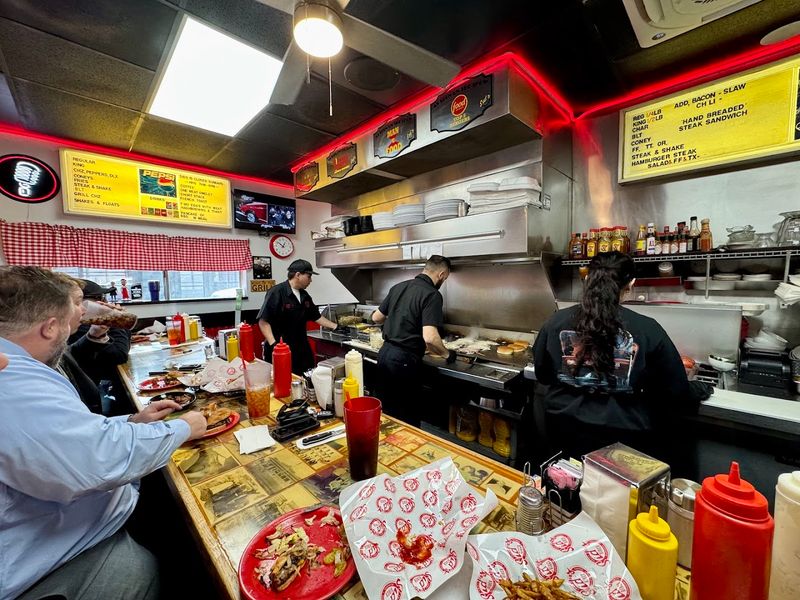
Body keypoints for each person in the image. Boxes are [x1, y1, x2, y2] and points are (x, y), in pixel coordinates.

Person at [0, 266, 207, 600]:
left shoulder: (20, 363)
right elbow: (94, 460)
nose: (78, 322)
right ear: (50, 328)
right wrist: (184, 427)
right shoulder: (11, 375)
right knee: (150, 560)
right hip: (44, 557)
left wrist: (130, 423)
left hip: (67, 524)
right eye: (74, 315)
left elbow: (70, 433)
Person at [532, 252, 710, 463]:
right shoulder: (647, 329)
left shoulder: (556, 322)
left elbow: (542, 373)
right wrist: (700, 389)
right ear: (630, 284)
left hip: (563, 428)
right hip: (623, 440)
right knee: (617, 494)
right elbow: (675, 390)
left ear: (588, 278)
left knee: (563, 489)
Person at [371, 255, 456, 427]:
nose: (443, 282)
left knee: (386, 413)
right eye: (445, 279)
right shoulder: (432, 295)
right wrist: (447, 354)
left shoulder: (398, 287)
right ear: (441, 274)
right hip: (403, 361)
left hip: (384, 354)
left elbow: (376, 317)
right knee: (406, 417)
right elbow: (430, 338)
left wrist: (396, 322)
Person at [257, 259, 337, 374]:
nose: (311, 280)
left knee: (305, 378)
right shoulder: (276, 292)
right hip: (281, 349)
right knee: (283, 381)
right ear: (298, 275)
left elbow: (316, 316)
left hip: (301, 348)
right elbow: (263, 321)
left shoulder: (304, 295)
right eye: (309, 276)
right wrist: (274, 344)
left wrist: (335, 326)